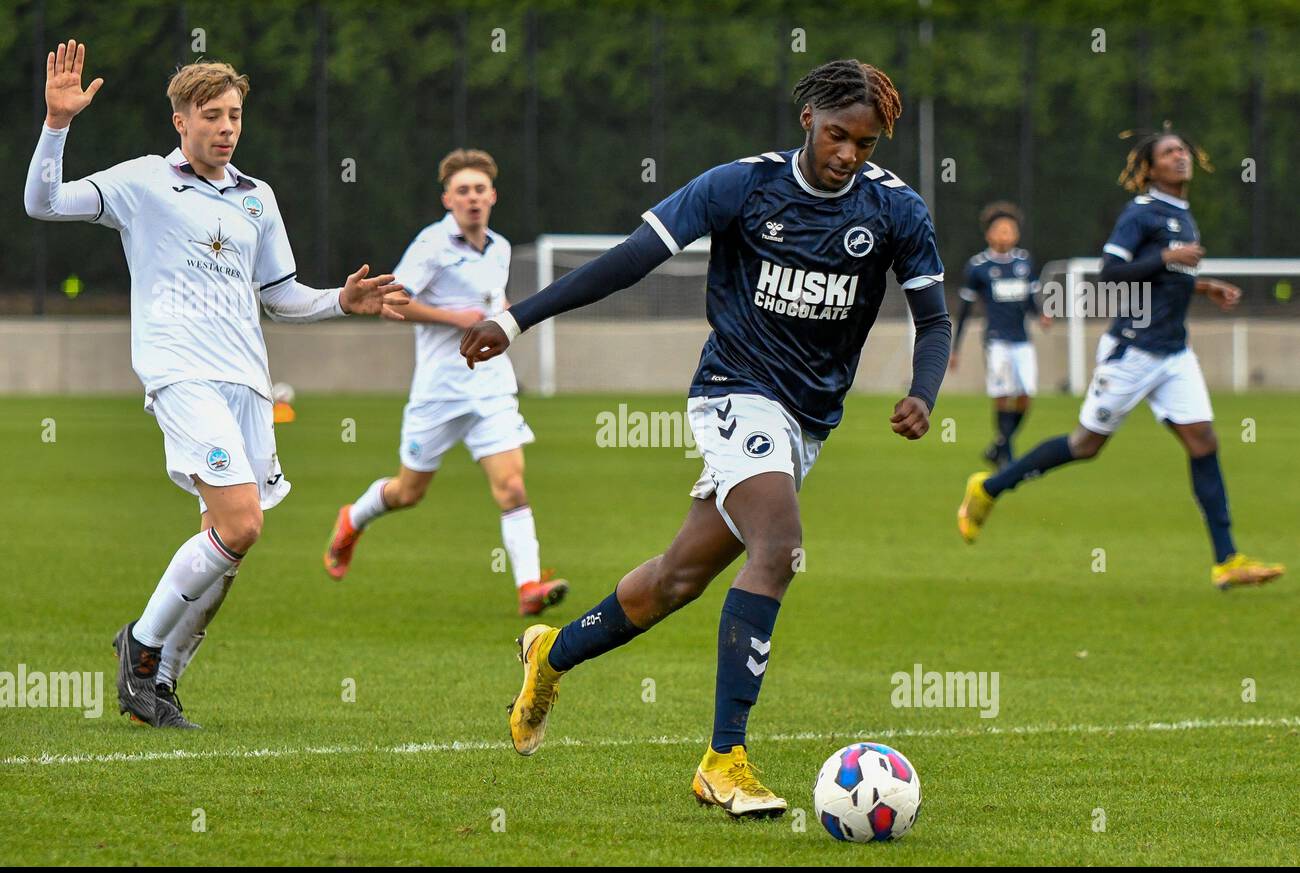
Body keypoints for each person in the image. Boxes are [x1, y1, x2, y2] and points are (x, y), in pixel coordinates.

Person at [459, 59, 951, 817]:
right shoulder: (741, 186)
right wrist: (515, 318)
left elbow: (935, 318)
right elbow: (631, 261)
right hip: (735, 394)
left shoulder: (895, 211)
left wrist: (923, 392)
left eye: (867, 143)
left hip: (808, 421)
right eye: (837, 135)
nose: (849, 154)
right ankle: (724, 759)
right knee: (779, 549)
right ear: (807, 119)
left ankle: (548, 654)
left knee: (677, 581)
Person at [24, 43, 406, 727]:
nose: (227, 128)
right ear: (181, 121)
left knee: (228, 551)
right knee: (240, 523)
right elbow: (43, 202)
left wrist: (340, 302)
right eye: (212, 116)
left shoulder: (257, 198)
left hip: (249, 387)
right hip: (182, 376)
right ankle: (139, 649)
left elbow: (281, 297)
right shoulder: (143, 182)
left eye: (234, 116)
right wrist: (58, 123)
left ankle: (159, 688)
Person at [957, 126, 1284, 590]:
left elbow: (1163, 278)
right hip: (1133, 350)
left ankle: (1226, 561)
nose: (1180, 156)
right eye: (1169, 152)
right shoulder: (1141, 213)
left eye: (1183, 150)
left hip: (1173, 351)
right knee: (1084, 446)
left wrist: (1201, 285)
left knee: (1204, 441)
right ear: (1149, 168)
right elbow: (1112, 273)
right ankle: (987, 488)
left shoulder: (1183, 214)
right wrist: (1170, 256)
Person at [324, 149, 568, 616]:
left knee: (512, 486)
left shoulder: (500, 246)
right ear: (447, 200)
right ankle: (352, 519)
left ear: (493, 195)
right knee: (408, 492)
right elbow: (393, 302)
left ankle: (529, 587)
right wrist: (455, 319)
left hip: (492, 386)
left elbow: (494, 300)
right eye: (463, 191)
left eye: (479, 190)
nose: (472, 198)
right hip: (439, 392)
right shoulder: (431, 245)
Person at [950, 202, 1048, 468]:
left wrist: (1040, 314)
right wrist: (955, 348)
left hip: (1022, 339)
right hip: (996, 340)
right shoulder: (978, 267)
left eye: (1010, 230)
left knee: (1026, 394)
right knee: (1003, 393)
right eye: (1000, 230)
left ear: (1016, 234)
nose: (1005, 234)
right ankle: (1008, 452)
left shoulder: (1025, 261)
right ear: (989, 235)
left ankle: (999, 445)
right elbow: (966, 310)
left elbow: (1029, 299)